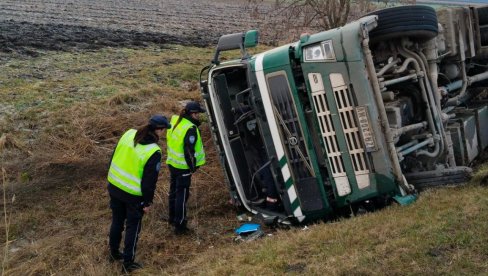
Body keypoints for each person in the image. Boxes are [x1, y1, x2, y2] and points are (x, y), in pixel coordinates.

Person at [107, 114, 170, 273]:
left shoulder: (128, 134)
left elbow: (113, 157)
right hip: (132, 196)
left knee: (117, 222)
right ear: (159, 130)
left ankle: (114, 253)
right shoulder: (153, 151)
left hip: (114, 186)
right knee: (132, 228)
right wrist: (147, 202)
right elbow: (149, 183)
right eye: (164, 130)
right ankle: (128, 263)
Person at [166, 101, 206, 235]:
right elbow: (188, 150)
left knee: (173, 192)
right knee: (181, 196)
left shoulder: (176, 121)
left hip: (172, 163)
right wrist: (193, 167)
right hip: (183, 167)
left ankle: (172, 218)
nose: (199, 116)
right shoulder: (190, 128)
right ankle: (180, 225)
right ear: (193, 114)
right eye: (198, 114)